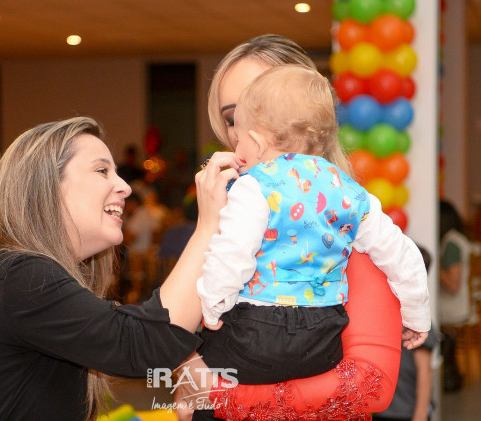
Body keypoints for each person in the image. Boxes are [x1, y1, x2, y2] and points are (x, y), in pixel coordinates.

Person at [0, 116, 244, 421]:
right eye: (102, 171)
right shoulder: (18, 275)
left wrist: (185, 359)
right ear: (47, 188)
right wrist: (209, 225)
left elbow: (135, 333)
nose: (125, 187)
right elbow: (142, 344)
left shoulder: (8, 274)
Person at [175, 34, 421, 421]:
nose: (243, 131)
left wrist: (220, 395)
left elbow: (370, 385)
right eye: (232, 118)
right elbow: (172, 339)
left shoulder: (348, 224)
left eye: (262, 109)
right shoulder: (226, 214)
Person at [373, 245, 438, 421]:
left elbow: (425, 372)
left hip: (406, 412)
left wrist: (420, 414)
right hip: (382, 410)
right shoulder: (387, 312)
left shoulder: (416, 322)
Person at [439, 199, 473, 392]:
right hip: (461, 304)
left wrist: (433, 268)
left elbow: (452, 285)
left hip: (452, 306)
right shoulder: (459, 239)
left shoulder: (451, 243)